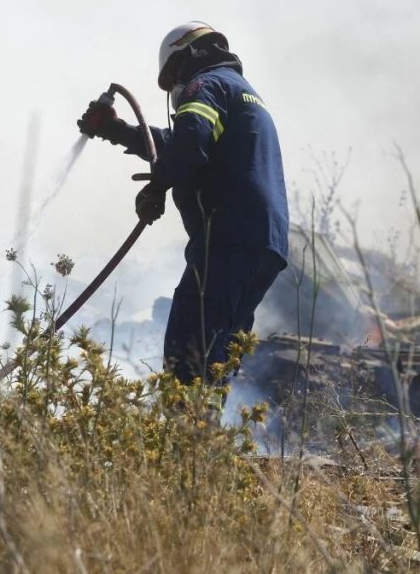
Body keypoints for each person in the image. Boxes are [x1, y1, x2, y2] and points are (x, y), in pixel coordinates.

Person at [78, 22, 289, 384]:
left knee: (187, 355)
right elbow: (180, 142)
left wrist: (157, 187)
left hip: (227, 237)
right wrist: (117, 130)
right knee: (217, 358)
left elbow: (191, 142)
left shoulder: (204, 85)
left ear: (186, 57)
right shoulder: (239, 92)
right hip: (265, 245)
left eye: (174, 77)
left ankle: (184, 422)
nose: (176, 87)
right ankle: (208, 421)